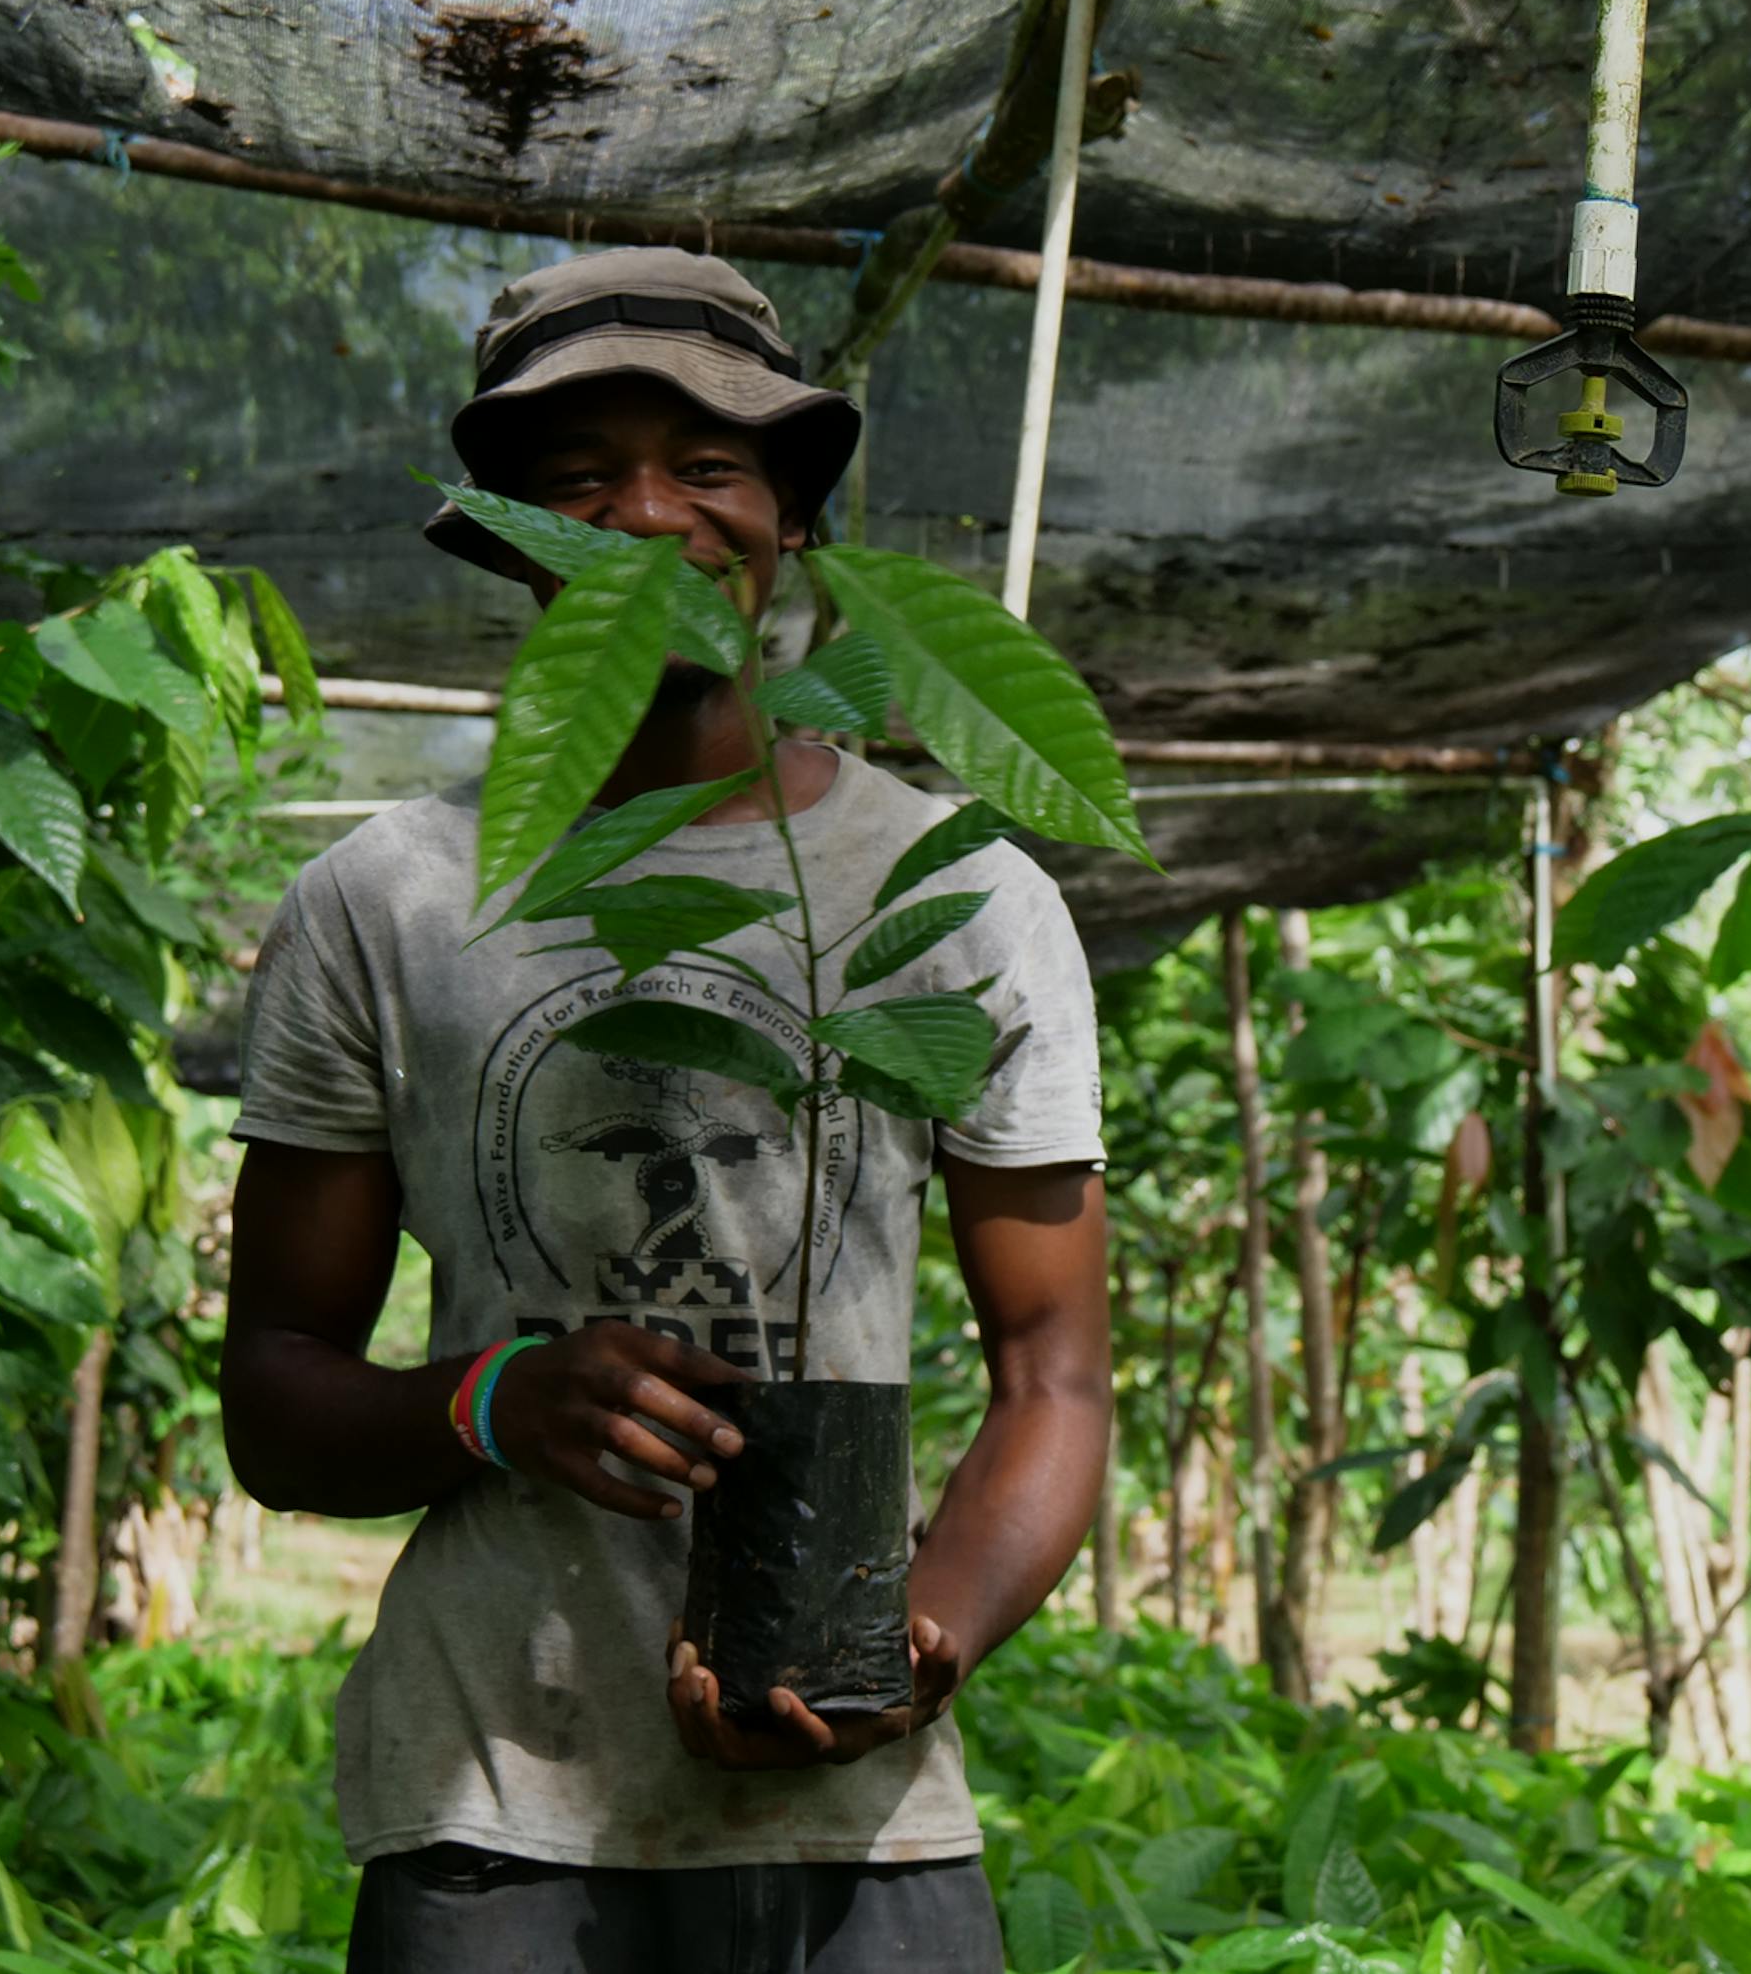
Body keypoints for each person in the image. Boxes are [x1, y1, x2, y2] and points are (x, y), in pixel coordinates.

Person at [219, 247, 1113, 1974]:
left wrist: (903, 1644)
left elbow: (1053, 1373)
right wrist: (497, 1400)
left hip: (865, 1814)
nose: (649, 516)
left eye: (708, 465)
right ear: (509, 536)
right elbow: (275, 1393)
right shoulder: (385, 901)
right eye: (578, 480)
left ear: (795, 518)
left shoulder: (960, 890)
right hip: (497, 1809)